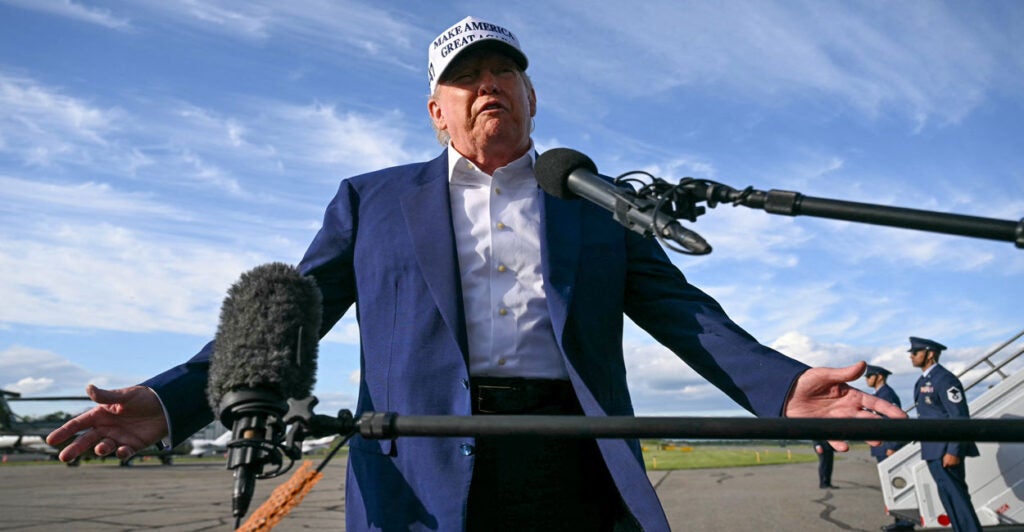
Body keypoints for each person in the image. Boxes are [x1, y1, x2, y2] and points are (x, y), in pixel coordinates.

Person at [47, 16, 906, 531]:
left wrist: (782, 388)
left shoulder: (593, 201)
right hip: (420, 465)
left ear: (532, 98)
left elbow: (683, 312)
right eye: (465, 79)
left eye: (502, 72)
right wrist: (173, 402)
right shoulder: (372, 201)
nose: (486, 84)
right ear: (437, 111)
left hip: (570, 460)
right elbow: (289, 315)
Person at [909, 336, 982, 532]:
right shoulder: (923, 380)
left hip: (945, 451)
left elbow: (959, 417)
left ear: (930, 354)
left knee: (957, 499)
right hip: (933, 450)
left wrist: (954, 450)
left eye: (915, 352)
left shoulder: (944, 379)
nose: (911, 356)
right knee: (949, 499)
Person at [865, 364, 916, 531]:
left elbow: (896, 422)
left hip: (888, 447)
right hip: (882, 447)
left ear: (879, 376)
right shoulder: (879, 395)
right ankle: (900, 522)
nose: (866, 379)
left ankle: (905, 523)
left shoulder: (887, 394)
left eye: (869, 376)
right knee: (891, 486)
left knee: (897, 484)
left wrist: (893, 445)